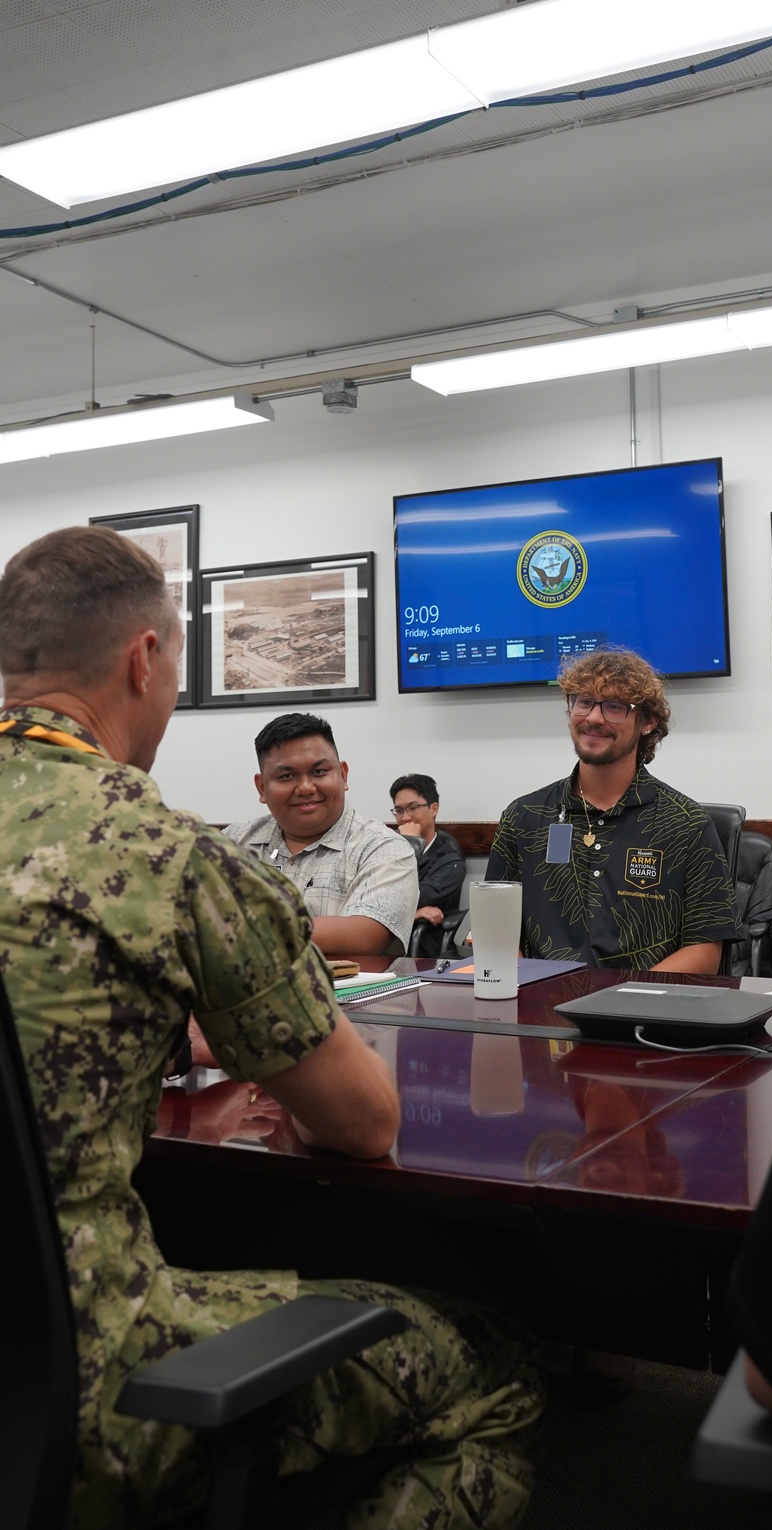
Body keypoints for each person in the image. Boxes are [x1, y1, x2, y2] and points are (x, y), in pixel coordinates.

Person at [0, 527, 543, 1530]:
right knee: (495, 1368)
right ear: (145, 660)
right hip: (78, 1373)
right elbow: (360, 1125)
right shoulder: (171, 854)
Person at [485, 648, 743, 971]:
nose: (594, 717)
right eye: (583, 701)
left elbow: (705, 952)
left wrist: (621, 1001)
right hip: (541, 1010)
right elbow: (494, 932)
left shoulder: (687, 825)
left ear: (647, 722)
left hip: (643, 1012)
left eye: (615, 707)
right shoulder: (522, 819)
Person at [226, 713, 418, 958]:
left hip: (338, 994)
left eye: (319, 772)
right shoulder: (233, 842)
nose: (306, 788)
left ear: (343, 775)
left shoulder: (384, 848)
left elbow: (366, 934)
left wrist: (242, 931)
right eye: (286, 776)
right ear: (262, 787)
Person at [391, 772, 466, 953]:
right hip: (381, 936)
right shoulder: (387, 849)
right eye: (399, 810)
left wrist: (411, 846)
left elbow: (410, 897)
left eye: (412, 808)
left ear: (434, 808)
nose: (405, 817)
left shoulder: (450, 860)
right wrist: (414, 914)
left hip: (421, 946)